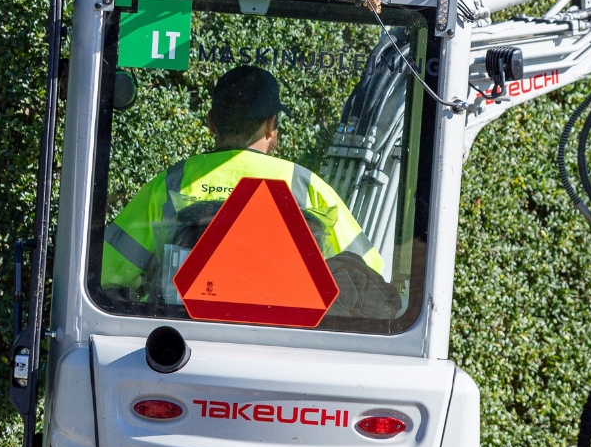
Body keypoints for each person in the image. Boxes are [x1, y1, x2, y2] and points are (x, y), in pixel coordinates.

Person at [100, 65, 395, 315]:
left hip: (183, 343)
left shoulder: (169, 185)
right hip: (287, 347)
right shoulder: (305, 186)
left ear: (212, 123)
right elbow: (368, 272)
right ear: (271, 125)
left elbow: (107, 274)